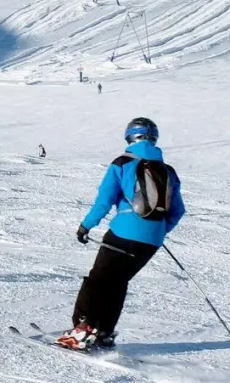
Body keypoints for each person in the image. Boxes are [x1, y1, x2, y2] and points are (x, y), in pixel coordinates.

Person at [58, 117, 185, 352]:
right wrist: (157, 231)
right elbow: (178, 211)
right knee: (118, 283)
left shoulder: (122, 163)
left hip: (123, 234)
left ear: (130, 137)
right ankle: (104, 333)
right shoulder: (168, 171)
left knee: (98, 280)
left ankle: (81, 331)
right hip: (152, 241)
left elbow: (104, 201)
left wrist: (86, 226)